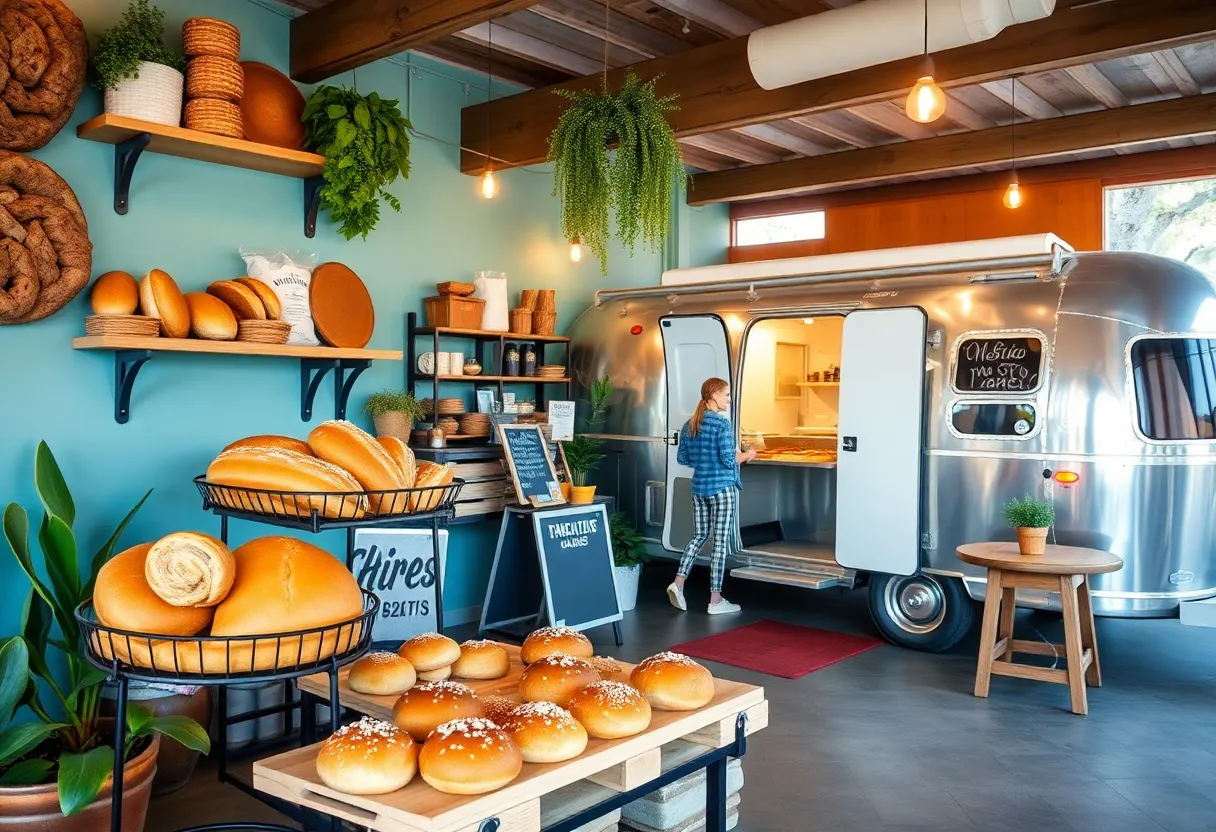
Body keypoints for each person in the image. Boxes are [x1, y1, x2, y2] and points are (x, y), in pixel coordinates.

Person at [667, 377, 756, 615]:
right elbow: (728, 460)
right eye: (726, 395)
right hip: (722, 489)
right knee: (719, 544)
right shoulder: (721, 424)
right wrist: (747, 455)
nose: (729, 399)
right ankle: (715, 600)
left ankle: (678, 582)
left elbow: (683, 458)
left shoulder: (690, 424)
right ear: (714, 395)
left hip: (699, 488)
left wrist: (706, 460)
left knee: (699, 536)